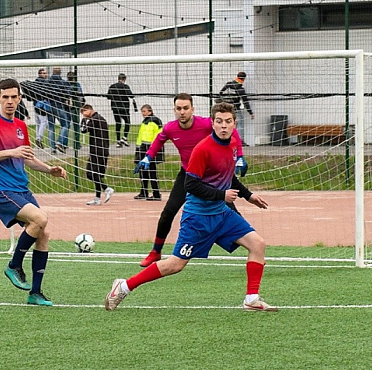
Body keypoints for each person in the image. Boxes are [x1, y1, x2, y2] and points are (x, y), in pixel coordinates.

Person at [106, 102, 275, 312]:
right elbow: (191, 185)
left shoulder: (232, 144)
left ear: (234, 123)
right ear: (212, 123)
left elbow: (227, 175)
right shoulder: (203, 149)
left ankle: (252, 299)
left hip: (221, 214)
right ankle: (123, 286)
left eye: (228, 122)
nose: (224, 126)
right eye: (219, 121)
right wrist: (222, 195)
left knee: (257, 244)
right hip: (198, 218)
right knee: (175, 265)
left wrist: (248, 196)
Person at [0, 79, 67, 306]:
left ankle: (35, 293)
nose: (10, 101)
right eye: (5, 97)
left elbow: (26, 157)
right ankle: (14, 265)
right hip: (0, 190)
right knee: (40, 218)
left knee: (43, 233)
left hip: (21, 189)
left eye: (14, 97)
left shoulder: (21, 125)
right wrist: (10, 151)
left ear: (20, 98)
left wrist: (48, 169)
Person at [136, 93, 243, 267]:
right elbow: (159, 140)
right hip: (188, 175)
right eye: (179, 109)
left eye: (186, 108)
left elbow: (232, 132)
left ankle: (250, 246)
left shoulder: (206, 123)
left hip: (211, 176)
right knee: (168, 212)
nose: (182, 112)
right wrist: (147, 157)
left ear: (192, 109)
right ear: (174, 110)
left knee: (232, 214)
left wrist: (240, 156)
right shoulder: (171, 128)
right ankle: (155, 251)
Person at [80, 103, 113, 206]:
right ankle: (97, 198)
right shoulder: (100, 118)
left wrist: (83, 121)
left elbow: (83, 130)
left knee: (90, 174)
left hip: (97, 151)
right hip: (102, 150)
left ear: (89, 110)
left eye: (84, 113)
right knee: (96, 174)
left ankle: (106, 188)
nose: (83, 115)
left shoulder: (94, 120)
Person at [134, 104, 163, 200]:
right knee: (143, 172)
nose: (143, 113)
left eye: (144, 111)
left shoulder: (153, 121)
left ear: (150, 111)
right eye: (142, 111)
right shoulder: (145, 121)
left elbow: (154, 136)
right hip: (143, 148)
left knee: (151, 171)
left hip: (150, 149)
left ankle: (156, 193)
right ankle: (144, 192)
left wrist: (151, 149)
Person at [219, 71, 254, 146]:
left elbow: (220, 93)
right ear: (243, 79)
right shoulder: (240, 89)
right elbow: (245, 101)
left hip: (225, 109)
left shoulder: (228, 85)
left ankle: (226, 139)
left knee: (226, 124)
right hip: (235, 109)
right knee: (240, 124)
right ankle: (240, 141)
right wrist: (250, 112)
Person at [46, 67, 72, 151]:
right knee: (65, 125)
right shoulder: (63, 83)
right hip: (59, 106)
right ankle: (59, 142)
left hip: (49, 106)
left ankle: (52, 149)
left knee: (51, 127)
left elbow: (43, 93)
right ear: (60, 73)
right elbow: (67, 94)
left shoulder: (48, 82)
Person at [107, 74, 136, 147]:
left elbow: (108, 96)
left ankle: (118, 140)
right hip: (124, 108)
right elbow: (130, 95)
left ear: (118, 78)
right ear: (124, 79)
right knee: (127, 122)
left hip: (115, 108)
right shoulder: (125, 87)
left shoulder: (112, 86)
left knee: (118, 123)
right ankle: (124, 137)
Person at [30, 68, 51, 147]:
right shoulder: (44, 83)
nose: (45, 75)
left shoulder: (34, 83)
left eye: (46, 73)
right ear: (40, 74)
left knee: (38, 123)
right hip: (42, 104)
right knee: (44, 122)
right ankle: (39, 138)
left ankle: (37, 137)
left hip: (35, 104)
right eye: (43, 73)